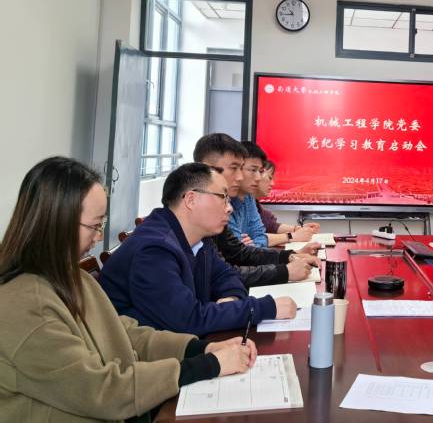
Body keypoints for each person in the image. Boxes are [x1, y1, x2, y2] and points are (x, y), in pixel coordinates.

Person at [0, 157, 257, 422]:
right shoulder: (24, 306)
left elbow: (125, 334)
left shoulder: (74, 278)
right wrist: (206, 366)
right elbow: (100, 391)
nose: (99, 236)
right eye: (94, 225)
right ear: (57, 222)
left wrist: (201, 349)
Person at [100, 162, 297, 336]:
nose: (229, 208)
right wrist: (263, 308)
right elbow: (188, 321)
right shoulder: (154, 250)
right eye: (223, 197)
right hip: (141, 358)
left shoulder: (198, 238)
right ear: (191, 200)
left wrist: (231, 298)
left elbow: (226, 275)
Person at [194, 134, 319, 287]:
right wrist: (285, 271)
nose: (240, 177)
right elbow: (222, 274)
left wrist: (289, 256)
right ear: (206, 169)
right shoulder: (183, 227)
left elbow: (240, 252)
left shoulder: (222, 208)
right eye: (234, 168)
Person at [246, 149, 320, 247]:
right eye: (269, 178)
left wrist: (297, 229)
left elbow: (270, 226)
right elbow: (255, 238)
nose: (272, 184)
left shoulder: (251, 202)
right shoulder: (239, 201)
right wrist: (292, 236)